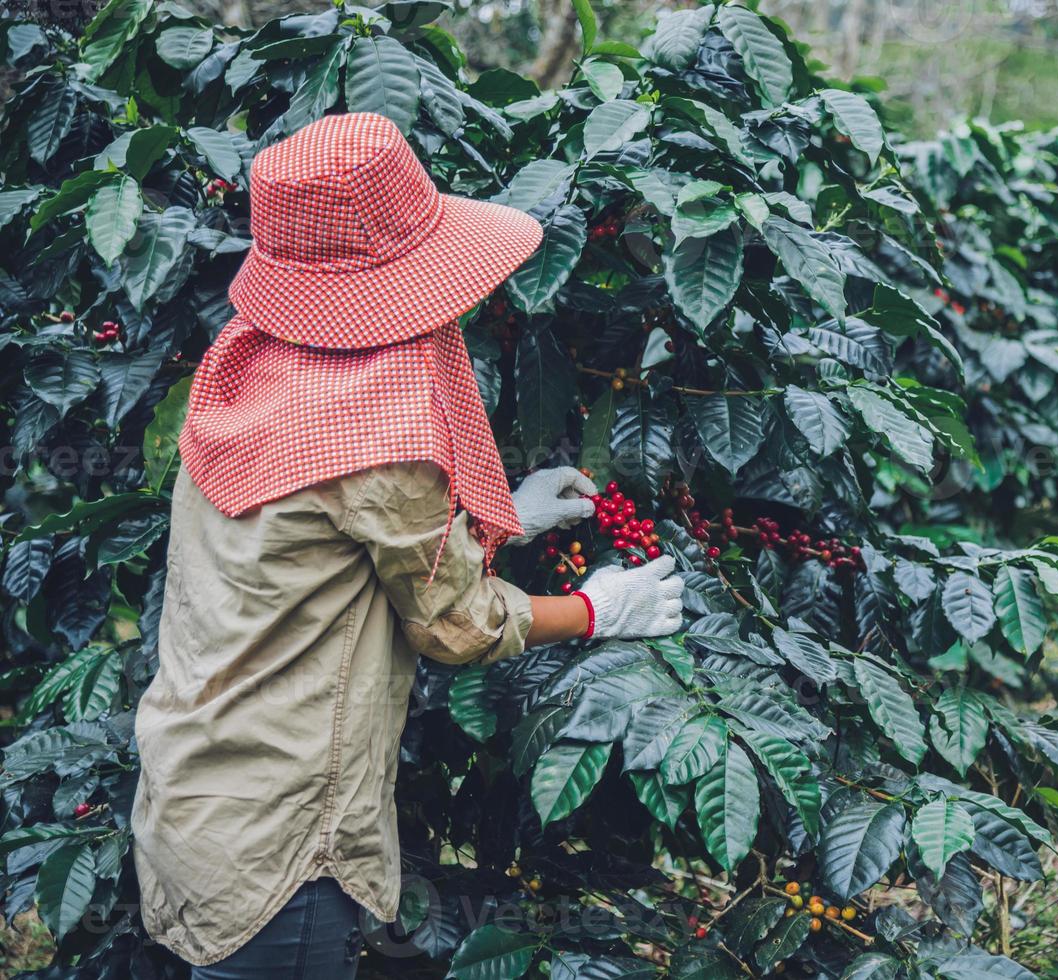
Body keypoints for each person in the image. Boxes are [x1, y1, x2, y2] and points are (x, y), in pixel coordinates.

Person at [130, 112, 685, 978]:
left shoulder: (247, 360)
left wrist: (507, 515)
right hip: (285, 848)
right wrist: (596, 609)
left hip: (193, 798)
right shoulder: (378, 425)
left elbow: (324, 541)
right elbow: (456, 624)